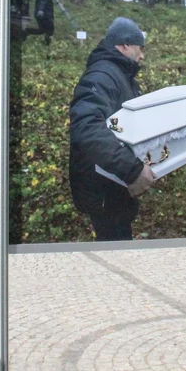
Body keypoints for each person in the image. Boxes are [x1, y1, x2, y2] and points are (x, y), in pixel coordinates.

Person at [69, 17, 156, 241]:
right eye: (140, 48)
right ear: (125, 44)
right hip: (104, 190)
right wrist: (132, 170)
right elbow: (86, 128)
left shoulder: (120, 77)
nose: (142, 55)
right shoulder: (103, 75)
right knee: (114, 247)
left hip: (114, 187)